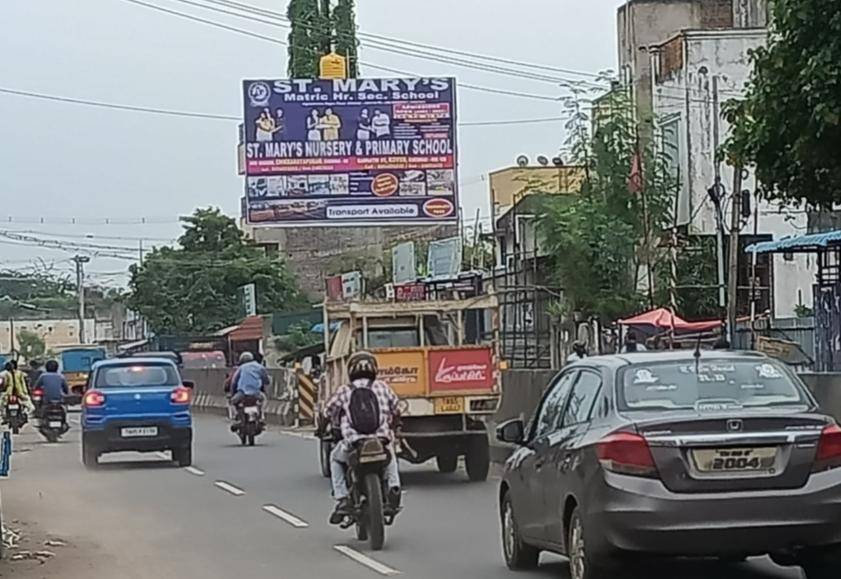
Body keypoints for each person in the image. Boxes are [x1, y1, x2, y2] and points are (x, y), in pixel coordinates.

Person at [324, 351, 402, 524]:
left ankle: (342, 498)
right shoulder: (382, 387)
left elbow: (329, 411)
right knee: (391, 459)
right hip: (381, 440)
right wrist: (393, 424)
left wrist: (329, 425)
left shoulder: (344, 391)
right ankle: (394, 489)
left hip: (354, 443)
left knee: (335, 460)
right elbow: (397, 408)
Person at [229, 352, 269, 426]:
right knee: (263, 399)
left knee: (232, 402)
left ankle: (236, 417)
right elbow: (266, 380)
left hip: (242, 393)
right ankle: (261, 417)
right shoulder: (259, 367)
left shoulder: (241, 368)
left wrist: (232, 393)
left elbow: (234, 381)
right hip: (256, 393)